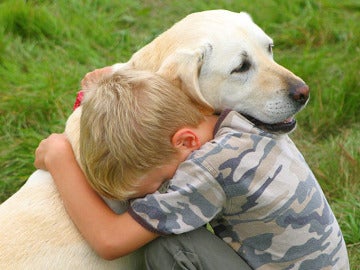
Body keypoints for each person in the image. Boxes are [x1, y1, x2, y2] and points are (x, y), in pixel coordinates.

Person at [35, 68, 349, 269]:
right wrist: (115, 82)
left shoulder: (208, 169)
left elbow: (110, 241)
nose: (162, 191)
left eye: (161, 183)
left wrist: (59, 157)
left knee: (171, 248)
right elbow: (158, 95)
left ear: (186, 142)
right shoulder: (232, 115)